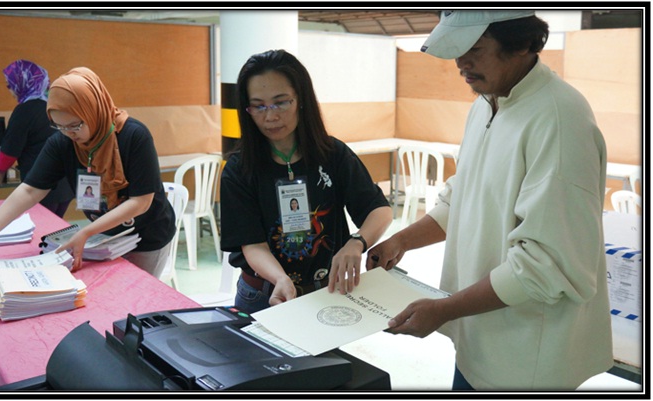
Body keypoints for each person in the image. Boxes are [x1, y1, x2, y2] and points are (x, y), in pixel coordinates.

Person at [366, 11, 613, 390]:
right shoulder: (486, 103)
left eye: (475, 49)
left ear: (523, 44)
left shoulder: (560, 119)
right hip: (479, 338)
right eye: (457, 50)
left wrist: (444, 309)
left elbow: (545, 265)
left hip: (526, 359)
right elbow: (463, 196)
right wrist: (402, 240)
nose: (461, 63)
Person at [220, 49, 392, 314]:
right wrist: (279, 278)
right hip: (264, 295)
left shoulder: (332, 154)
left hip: (327, 293)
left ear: (301, 99)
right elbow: (252, 244)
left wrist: (357, 242)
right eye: (258, 106)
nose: (270, 116)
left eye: (281, 102)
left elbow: (379, 210)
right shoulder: (239, 169)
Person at [0, 67, 175, 277]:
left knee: (136, 292)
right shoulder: (63, 142)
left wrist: (87, 231)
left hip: (146, 236)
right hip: (105, 236)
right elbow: (30, 191)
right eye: (60, 126)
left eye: (75, 125)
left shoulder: (134, 136)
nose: (69, 133)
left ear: (92, 110)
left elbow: (141, 202)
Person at [0, 60, 74, 217]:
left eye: (10, 84)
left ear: (24, 83)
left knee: (41, 228)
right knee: (55, 226)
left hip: (41, 186)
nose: (9, 88)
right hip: (66, 185)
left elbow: (11, 148)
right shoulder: (56, 105)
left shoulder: (25, 110)